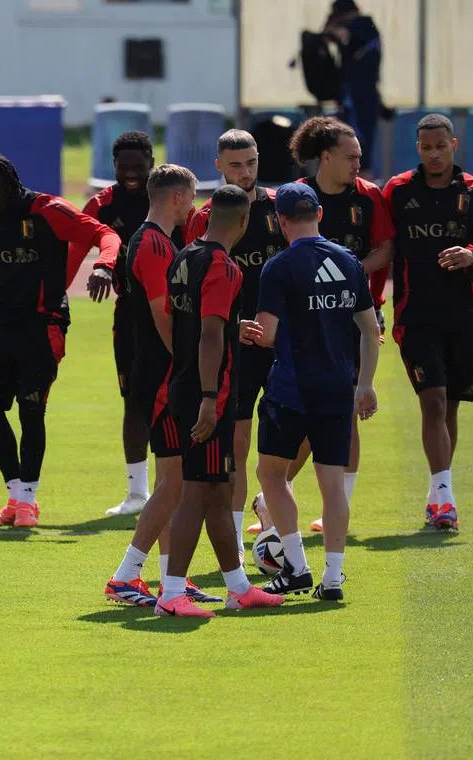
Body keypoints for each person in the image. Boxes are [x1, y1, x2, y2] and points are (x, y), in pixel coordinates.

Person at [250, 116, 392, 534]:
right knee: (317, 413)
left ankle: (332, 508)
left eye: (360, 158)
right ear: (325, 158)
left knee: (345, 411)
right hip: (305, 320)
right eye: (351, 157)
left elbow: (386, 248)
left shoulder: (368, 197)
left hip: (355, 312)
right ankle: (274, 499)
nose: (358, 165)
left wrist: (345, 272)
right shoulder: (297, 197)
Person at [0, 152, 120, 527]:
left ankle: (28, 502)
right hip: (0, 323)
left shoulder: (47, 209)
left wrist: (104, 265)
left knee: (31, 408)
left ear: (8, 188)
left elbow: (104, 233)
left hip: (43, 324)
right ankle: (16, 496)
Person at [244, 183, 381, 601]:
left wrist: (250, 334)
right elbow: (370, 329)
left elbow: (267, 335)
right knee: (332, 484)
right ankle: (333, 578)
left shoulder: (279, 267)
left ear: (279, 220)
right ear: (318, 213)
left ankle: (298, 568)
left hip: (291, 389)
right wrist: (366, 384)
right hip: (338, 388)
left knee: (270, 474)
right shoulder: (348, 261)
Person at [369, 113, 473, 531]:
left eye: (440, 146)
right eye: (426, 147)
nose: (433, 154)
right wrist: (373, 301)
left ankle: (437, 491)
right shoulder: (398, 191)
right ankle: (447, 502)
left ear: (454, 145)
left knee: (451, 409)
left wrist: (471, 255)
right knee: (434, 400)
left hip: (462, 316)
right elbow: (385, 248)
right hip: (416, 315)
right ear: (417, 149)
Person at [156, 185, 285, 617]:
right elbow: (209, 333)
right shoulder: (225, 267)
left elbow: (192, 322)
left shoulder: (185, 256)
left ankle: (238, 586)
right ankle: (172, 594)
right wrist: (210, 398)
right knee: (197, 492)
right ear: (245, 222)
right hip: (208, 394)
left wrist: (232, 325)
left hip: (186, 384)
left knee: (219, 488)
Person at [102, 165, 218, 607]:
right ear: (176, 198)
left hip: (162, 374)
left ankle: (173, 577)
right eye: (190, 199)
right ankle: (125, 576)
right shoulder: (152, 243)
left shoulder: (159, 240)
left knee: (176, 481)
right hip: (161, 378)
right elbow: (162, 314)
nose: (192, 207)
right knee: (173, 484)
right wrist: (190, 366)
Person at [183, 130, 285, 562]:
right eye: (235, 164)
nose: (245, 171)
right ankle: (241, 537)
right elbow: (194, 289)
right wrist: (231, 327)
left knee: (298, 435)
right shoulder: (205, 217)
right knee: (238, 444)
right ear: (218, 166)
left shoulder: (281, 206)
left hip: (281, 343)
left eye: (251, 162)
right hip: (233, 348)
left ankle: (270, 501)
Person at [75, 132, 168, 517]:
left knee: (178, 397)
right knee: (134, 402)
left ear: (151, 161)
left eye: (138, 165)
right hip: (129, 317)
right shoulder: (102, 204)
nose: (131, 173)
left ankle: (175, 484)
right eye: (123, 166)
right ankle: (137, 494)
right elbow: (74, 245)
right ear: (113, 166)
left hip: (174, 312)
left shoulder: (169, 195)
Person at [324, 0, 383, 173]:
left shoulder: (360, 26)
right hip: (364, 96)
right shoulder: (368, 27)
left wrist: (333, 25)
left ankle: (360, 187)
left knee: (356, 147)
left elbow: (330, 35)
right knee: (359, 148)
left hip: (359, 99)